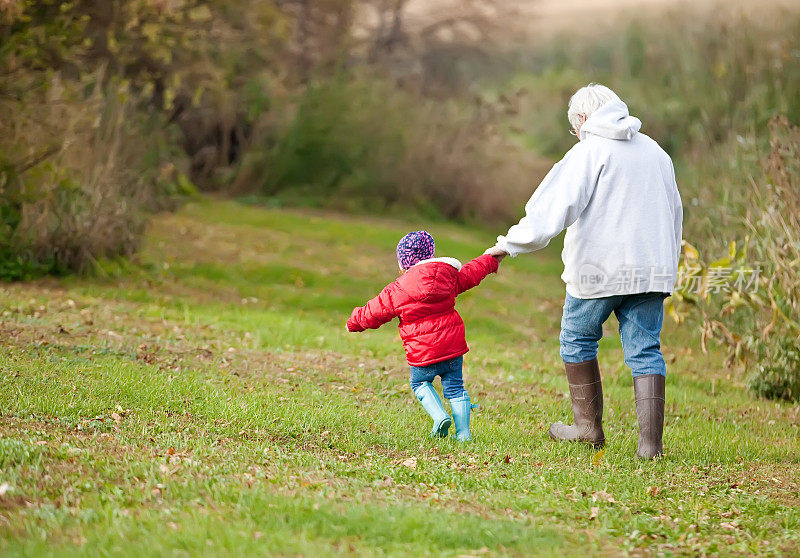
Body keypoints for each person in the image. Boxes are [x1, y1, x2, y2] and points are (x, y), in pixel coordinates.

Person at [484, 83, 683, 459]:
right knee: (645, 350)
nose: (576, 134)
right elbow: (674, 213)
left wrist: (510, 243)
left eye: (575, 128)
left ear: (583, 119)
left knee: (577, 339)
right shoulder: (656, 152)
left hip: (598, 270)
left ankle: (588, 428)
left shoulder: (588, 151)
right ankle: (650, 447)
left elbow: (552, 208)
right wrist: (665, 267)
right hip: (651, 269)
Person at [347, 230, 502, 441]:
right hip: (452, 348)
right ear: (430, 256)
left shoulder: (397, 290)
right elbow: (472, 272)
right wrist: (491, 260)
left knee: (419, 383)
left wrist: (353, 323)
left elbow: (373, 311)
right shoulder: (448, 277)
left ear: (404, 264)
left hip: (423, 353)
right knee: (456, 387)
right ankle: (464, 433)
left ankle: (439, 417)